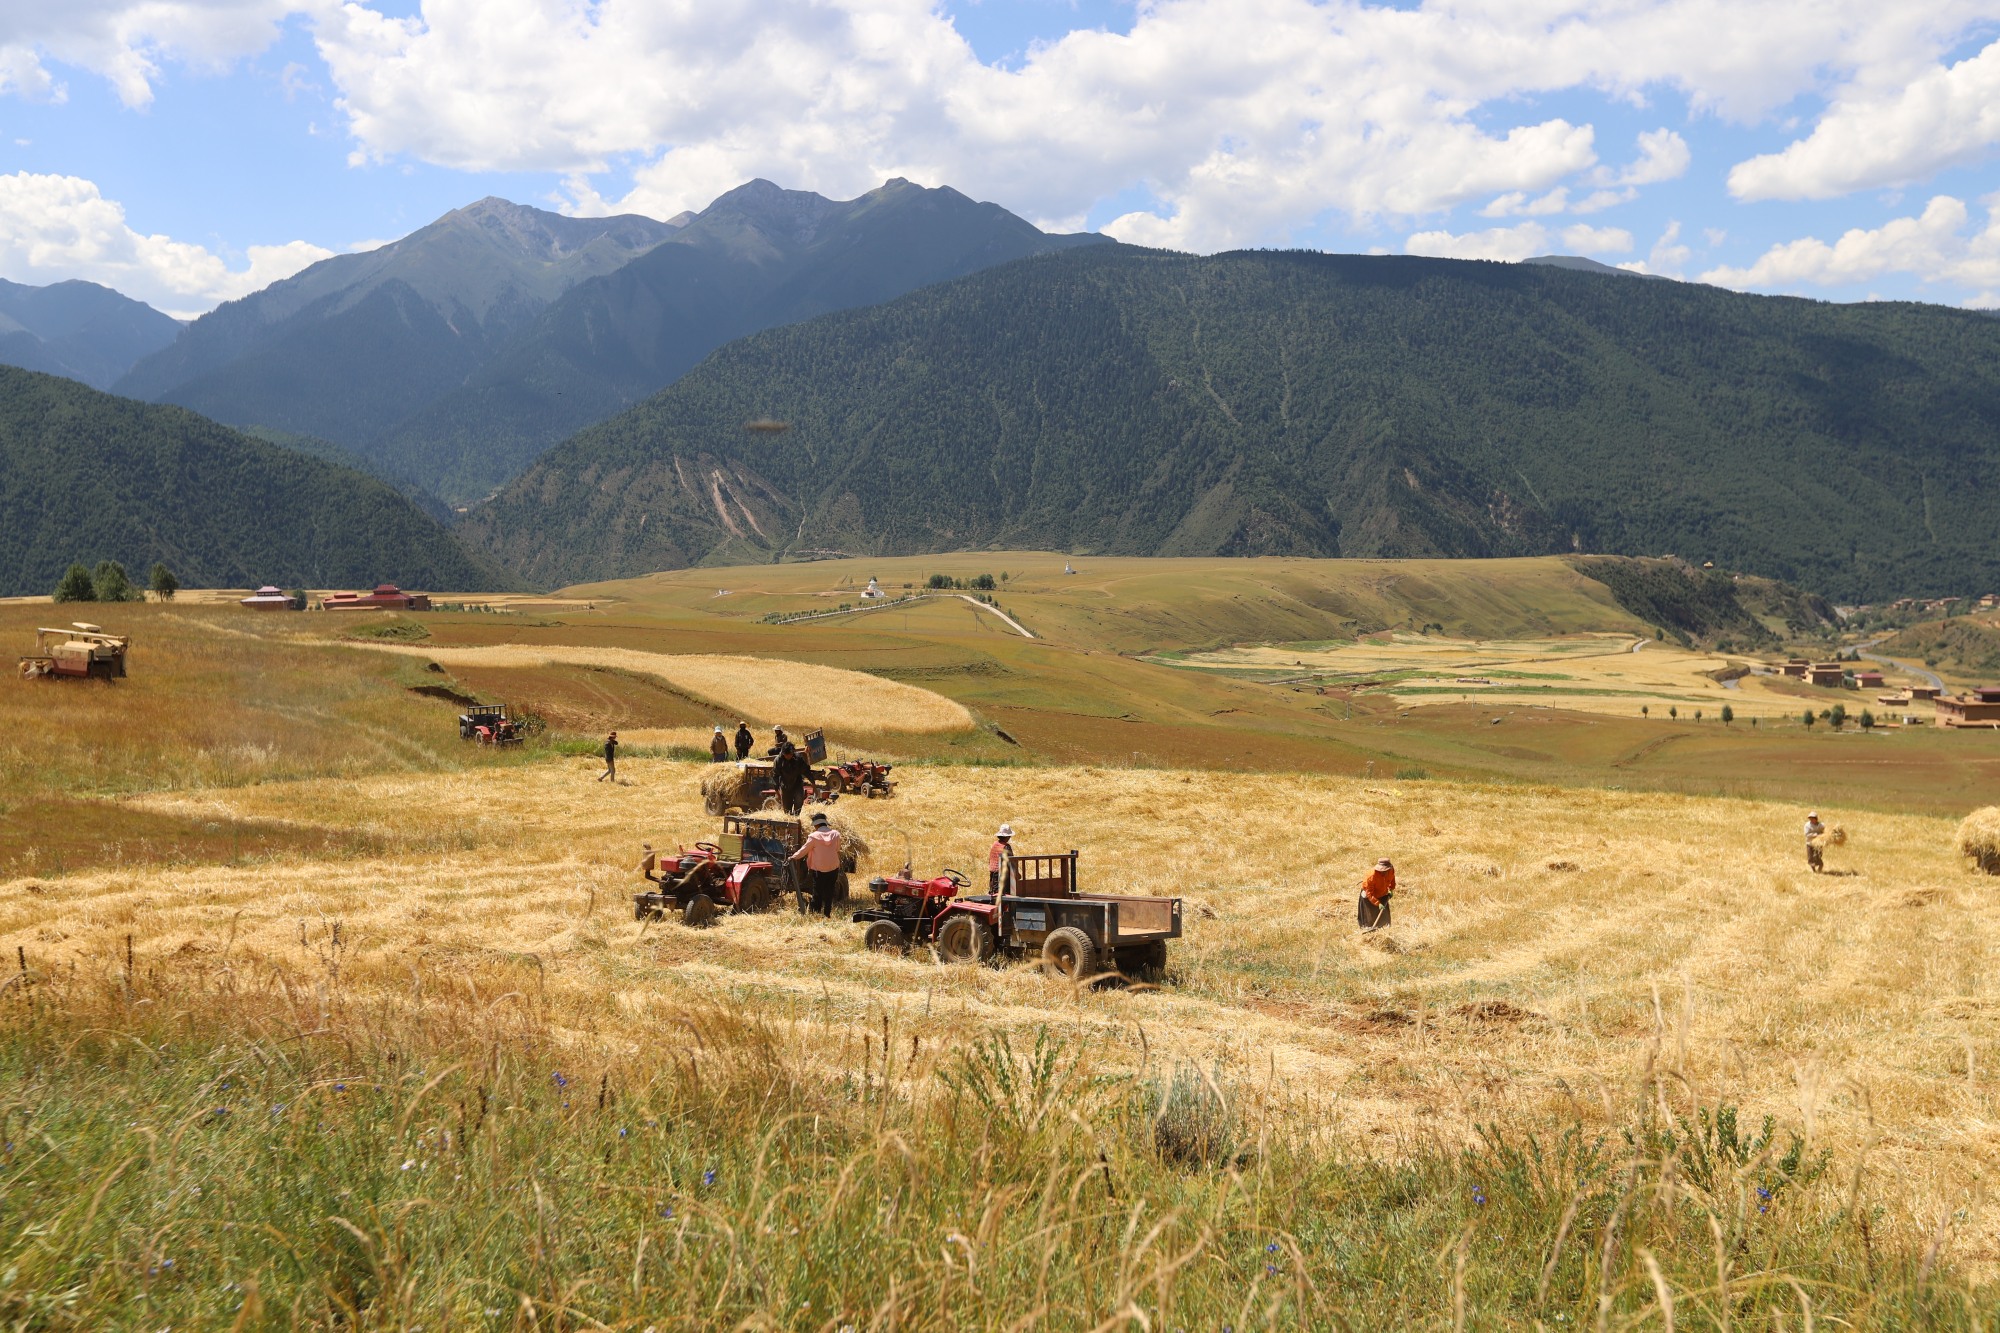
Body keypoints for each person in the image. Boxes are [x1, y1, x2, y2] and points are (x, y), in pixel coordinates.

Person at [789, 811, 845, 917]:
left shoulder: (813, 837)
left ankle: (816, 913)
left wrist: (793, 857)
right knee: (829, 891)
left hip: (818, 869)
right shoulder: (836, 834)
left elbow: (804, 850)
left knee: (817, 892)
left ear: (816, 824)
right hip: (833, 868)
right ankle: (827, 914)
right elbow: (837, 849)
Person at [1358, 858, 1395, 931]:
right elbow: (1369, 893)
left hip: (1382, 893)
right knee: (1370, 917)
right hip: (1369, 897)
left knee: (1384, 916)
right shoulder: (1371, 876)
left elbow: (1392, 879)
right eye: (1383, 871)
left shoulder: (1391, 870)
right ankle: (1369, 929)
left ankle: (1383, 929)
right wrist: (1377, 903)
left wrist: (1391, 889)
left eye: (1386, 870)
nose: (1385, 872)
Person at [773, 741, 809, 815]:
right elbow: (775, 775)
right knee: (787, 809)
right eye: (787, 755)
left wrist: (806, 755)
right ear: (783, 753)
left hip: (797, 783)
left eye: (790, 754)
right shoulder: (778, 760)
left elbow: (805, 769)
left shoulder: (798, 758)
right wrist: (776, 788)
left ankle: (796, 817)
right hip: (785, 785)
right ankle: (789, 820)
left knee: (799, 801)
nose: (788, 756)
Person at [989, 824, 1014, 894]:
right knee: (1001, 893)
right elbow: (1011, 861)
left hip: (993, 871)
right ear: (1006, 836)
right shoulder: (1006, 847)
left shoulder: (994, 844)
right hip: (1001, 873)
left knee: (993, 891)